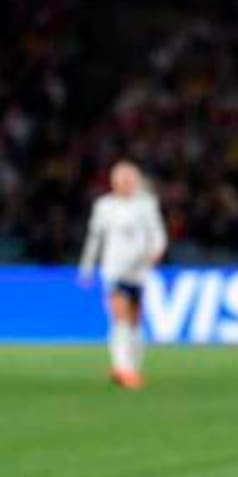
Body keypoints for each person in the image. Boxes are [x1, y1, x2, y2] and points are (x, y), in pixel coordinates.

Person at [77, 161, 167, 389]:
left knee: (136, 321)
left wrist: (156, 252)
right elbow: (95, 238)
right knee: (120, 317)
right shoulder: (104, 206)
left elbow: (157, 233)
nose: (126, 183)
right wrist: (87, 267)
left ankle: (133, 367)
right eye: (122, 179)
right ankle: (122, 368)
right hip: (114, 269)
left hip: (139, 271)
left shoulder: (146, 204)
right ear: (114, 182)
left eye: (130, 179)